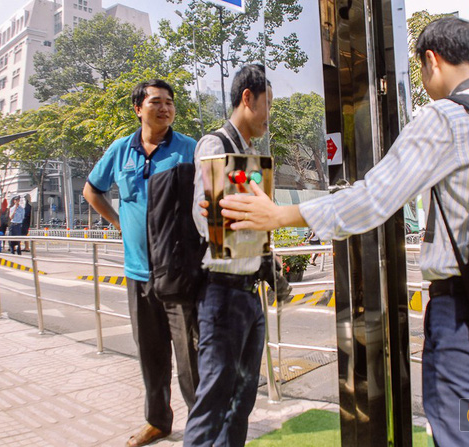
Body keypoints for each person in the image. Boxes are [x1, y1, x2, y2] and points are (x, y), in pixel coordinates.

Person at [218, 18, 469, 447]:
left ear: (431, 61)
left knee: (468, 433)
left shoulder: (444, 118)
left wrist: (280, 215)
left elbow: (372, 199)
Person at [83, 79, 199, 447]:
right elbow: (92, 190)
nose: (164, 108)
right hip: (137, 272)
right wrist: (119, 222)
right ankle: (158, 422)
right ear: (138, 108)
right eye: (156, 102)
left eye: (169, 102)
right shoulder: (120, 150)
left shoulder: (189, 149)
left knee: (190, 358)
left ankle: (202, 428)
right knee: (151, 354)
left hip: (179, 273)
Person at [183, 64, 271, 447]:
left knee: (241, 402)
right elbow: (206, 223)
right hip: (221, 293)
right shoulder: (215, 145)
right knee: (214, 401)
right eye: (268, 103)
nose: (270, 114)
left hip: (249, 294)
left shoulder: (249, 154)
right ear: (247, 98)